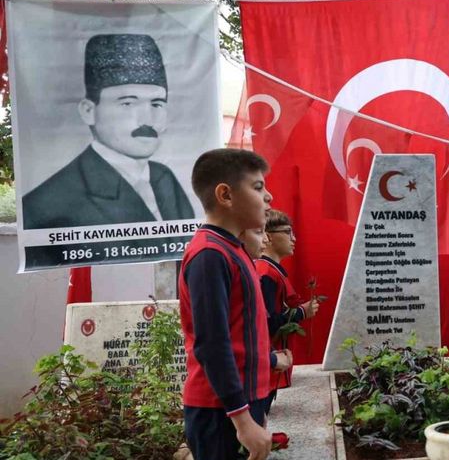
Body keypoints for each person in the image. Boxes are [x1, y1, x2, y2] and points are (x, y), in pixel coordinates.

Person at [179, 148, 290, 460]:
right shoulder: (210, 255)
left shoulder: (234, 249)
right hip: (220, 411)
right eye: (257, 187)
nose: (268, 197)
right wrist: (241, 419)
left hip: (240, 402)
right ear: (225, 195)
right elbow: (212, 343)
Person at [22, 33, 193, 229]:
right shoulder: (45, 206)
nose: (147, 119)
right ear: (89, 111)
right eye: (128, 103)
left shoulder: (163, 178)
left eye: (156, 104)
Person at [257, 210, 319, 414]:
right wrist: (301, 312)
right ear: (269, 236)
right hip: (266, 366)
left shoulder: (271, 271)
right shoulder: (266, 274)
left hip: (273, 365)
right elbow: (265, 323)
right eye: (288, 232)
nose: (294, 238)